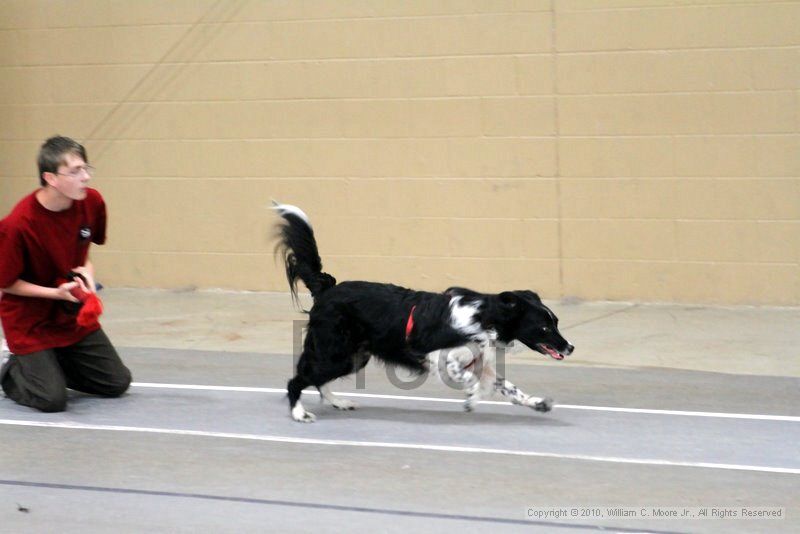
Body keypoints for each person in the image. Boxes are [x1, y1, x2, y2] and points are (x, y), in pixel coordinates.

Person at [0, 135, 131, 412]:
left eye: (85, 169)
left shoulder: (91, 202)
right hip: (30, 321)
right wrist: (54, 293)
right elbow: (6, 284)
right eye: (75, 171)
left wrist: (88, 276)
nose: (85, 177)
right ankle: (13, 370)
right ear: (51, 178)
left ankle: (50, 364)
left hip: (69, 313)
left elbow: (84, 254)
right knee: (52, 399)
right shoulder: (18, 225)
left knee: (116, 382)